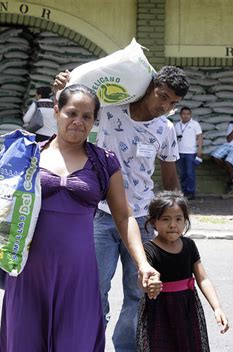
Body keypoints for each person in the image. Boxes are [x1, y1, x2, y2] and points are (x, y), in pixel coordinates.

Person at [0, 85, 160, 351]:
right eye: (71, 113)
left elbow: (125, 216)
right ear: (57, 111)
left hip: (79, 275)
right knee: (24, 343)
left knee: (76, 343)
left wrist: (142, 263)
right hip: (29, 272)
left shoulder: (104, 162)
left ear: (95, 120)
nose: (78, 122)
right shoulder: (28, 154)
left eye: (87, 116)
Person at [54, 66, 189, 352]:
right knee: (94, 291)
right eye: (162, 97)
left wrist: (175, 220)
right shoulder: (111, 110)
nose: (165, 106)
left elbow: (169, 179)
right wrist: (66, 85)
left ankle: (126, 348)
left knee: (138, 294)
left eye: (173, 103)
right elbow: (76, 111)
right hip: (100, 216)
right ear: (149, 87)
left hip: (140, 222)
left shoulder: (165, 129)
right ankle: (89, 345)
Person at [137, 191, 230, 351]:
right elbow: (142, 278)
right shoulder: (148, 250)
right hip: (160, 310)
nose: (173, 224)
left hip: (187, 308)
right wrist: (148, 285)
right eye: (166, 219)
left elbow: (203, 279)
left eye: (178, 219)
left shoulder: (189, 246)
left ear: (185, 221)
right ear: (154, 222)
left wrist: (217, 307)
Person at [174, 106, 203, 200]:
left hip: (190, 153)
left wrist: (199, 151)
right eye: (184, 114)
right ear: (180, 115)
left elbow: (200, 138)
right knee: (182, 174)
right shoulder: (177, 125)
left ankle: (191, 192)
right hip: (179, 152)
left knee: (190, 173)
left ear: (190, 115)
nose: (186, 116)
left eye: (187, 114)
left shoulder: (195, 124)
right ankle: (184, 191)